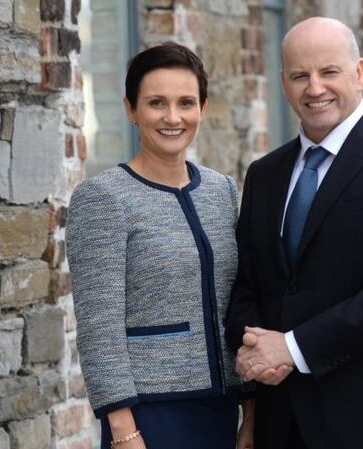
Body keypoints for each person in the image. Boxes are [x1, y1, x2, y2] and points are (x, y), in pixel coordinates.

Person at [225, 17, 363, 449]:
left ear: (360, 72)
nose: (314, 88)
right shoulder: (265, 174)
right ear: (283, 82)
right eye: (299, 76)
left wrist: (291, 348)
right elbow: (246, 285)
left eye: (328, 72)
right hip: (283, 420)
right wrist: (254, 345)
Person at [66, 42, 252, 449]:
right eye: (156, 103)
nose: (172, 117)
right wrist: (123, 430)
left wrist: (252, 411)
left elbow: (241, 299)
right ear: (131, 109)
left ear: (202, 107)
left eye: (186, 102)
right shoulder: (103, 198)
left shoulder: (222, 191)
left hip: (223, 407)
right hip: (150, 414)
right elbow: (100, 327)